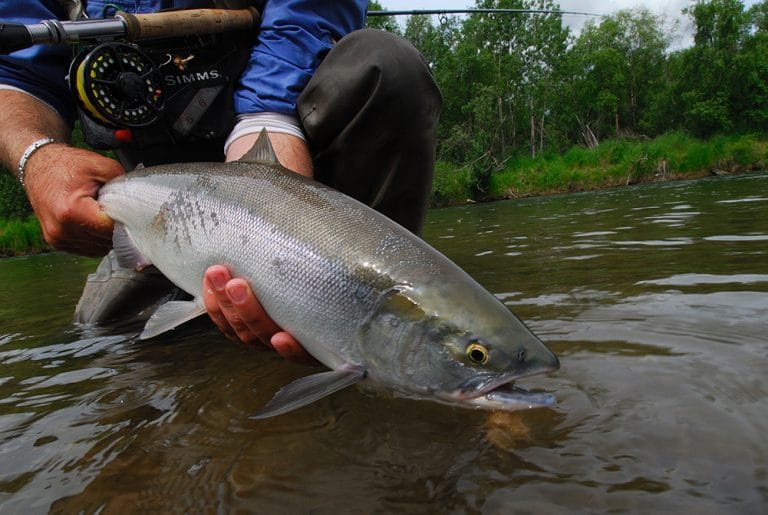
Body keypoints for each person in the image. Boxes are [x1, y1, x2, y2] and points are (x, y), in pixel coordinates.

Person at [0, 1, 441, 361]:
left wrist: (269, 140)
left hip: (291, 152)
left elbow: (302, 27)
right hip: (154, 198)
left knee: (386, 64)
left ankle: (375, 326)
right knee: (104, 343)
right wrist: (35, 157)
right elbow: (17, 75)